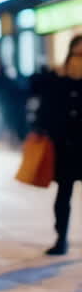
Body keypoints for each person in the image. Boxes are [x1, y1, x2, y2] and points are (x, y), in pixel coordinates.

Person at [32, 36, 82, 255]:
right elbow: (46, 107)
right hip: (64, 146)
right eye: (76, 54)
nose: (79, 59)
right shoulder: (58, 79)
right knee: (63, 195)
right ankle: (61, 239)